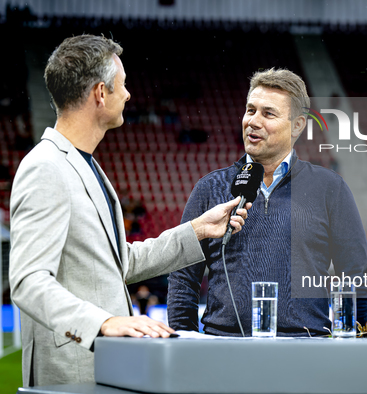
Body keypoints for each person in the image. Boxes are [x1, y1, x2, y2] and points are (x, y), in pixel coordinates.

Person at [9, 34, 250, 387]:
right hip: (71, 370)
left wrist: (196, 230)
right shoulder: (46, 168)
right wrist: (102, 323)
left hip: (104, 365)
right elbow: (28, 281)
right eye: (123, 85)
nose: (128, 95)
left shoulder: (85, 165)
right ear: (100, 93)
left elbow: (118, 263)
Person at [167, 68, 367, 336]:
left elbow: (356, 276)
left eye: (268, 113)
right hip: (222, 350)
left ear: (298, 125)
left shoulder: (330, 188)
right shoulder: (210, 187)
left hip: (305, 350)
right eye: (250, 110)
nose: (253, 121)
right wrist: (185, 342)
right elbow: (183, 277)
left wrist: (349, 340)